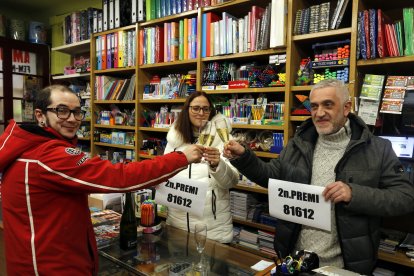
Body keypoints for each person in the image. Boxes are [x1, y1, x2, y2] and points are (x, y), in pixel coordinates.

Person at [0, 85, 204, 275]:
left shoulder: (30, 147)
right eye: (61, 111)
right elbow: (120, 178)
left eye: (77, 111)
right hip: (51, 267)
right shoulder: (47, 156)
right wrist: (181, 157)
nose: (72, 119)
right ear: (40, 115)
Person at [223, 79, 414, 274]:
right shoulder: (298, 143)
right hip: (295, 261)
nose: (319, 113)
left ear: (347, 107)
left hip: (344, 266)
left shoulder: (378, 149)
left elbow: (405, 197)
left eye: (328, 105)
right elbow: (271, 176)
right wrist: (244, 157)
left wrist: (354, 194)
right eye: (314, 106)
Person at [164, 91, 239, 243]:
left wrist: (218, 165)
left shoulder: (223, 139)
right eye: (196, 108)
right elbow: (165, 172)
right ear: (187, 110)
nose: (201, 113)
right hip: (176, 225)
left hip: (212, 229)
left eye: (206, 109)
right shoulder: (174, 139)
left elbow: (232, 181)